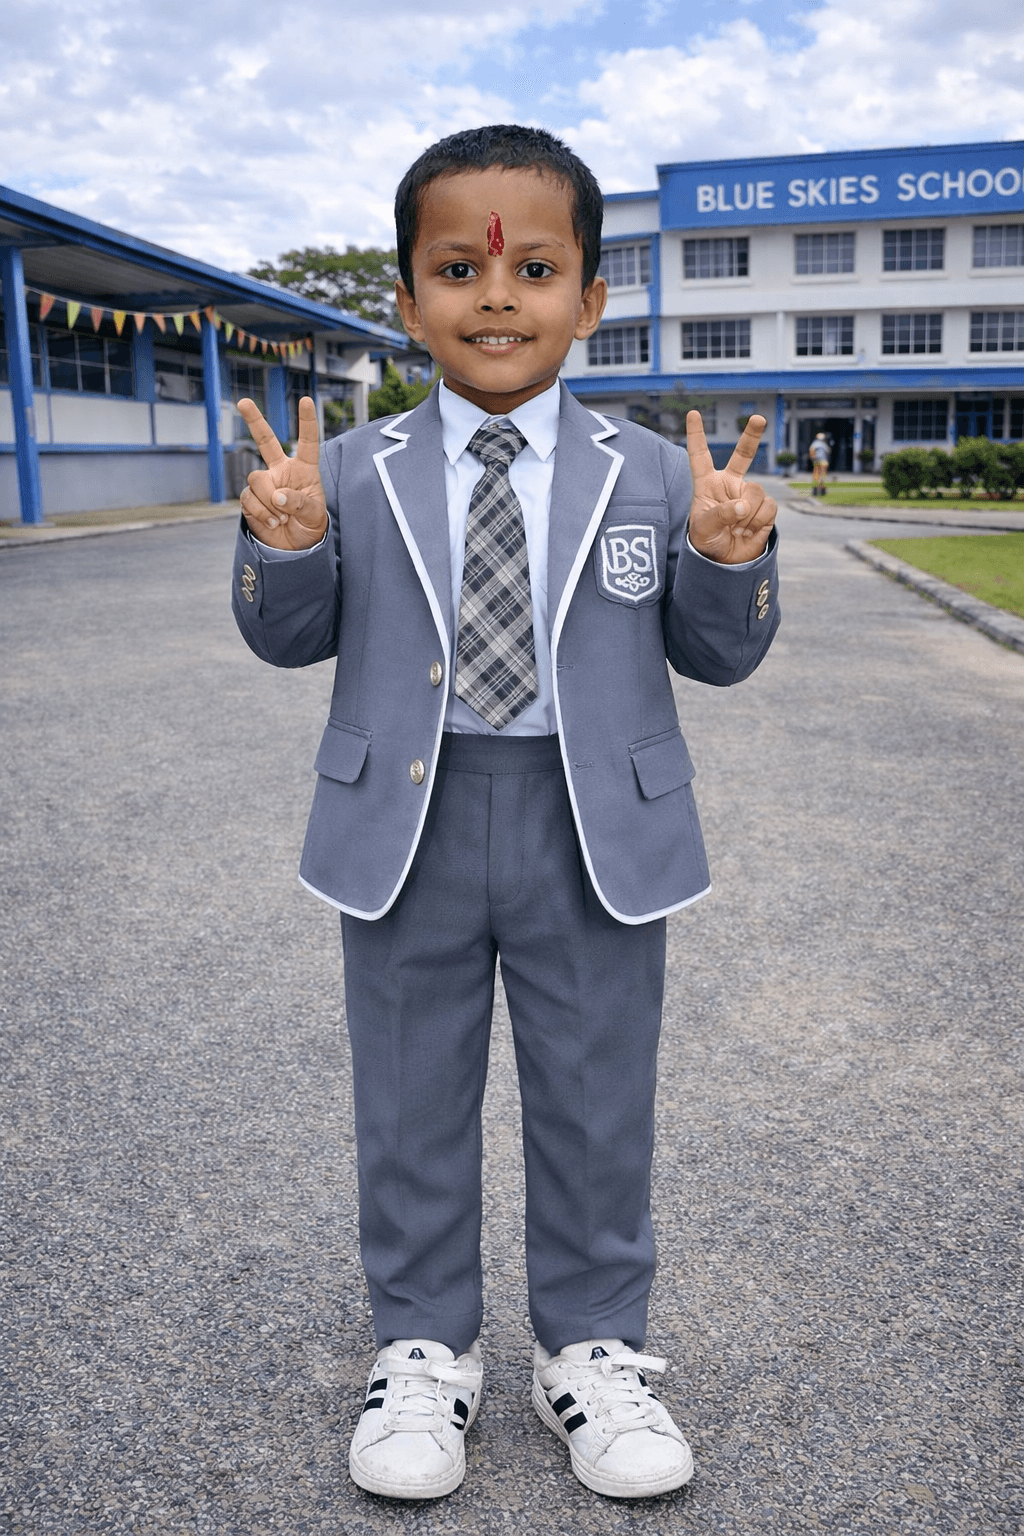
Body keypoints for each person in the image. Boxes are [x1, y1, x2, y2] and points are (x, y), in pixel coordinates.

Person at [231, 124, 780, 1502]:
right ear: (409, 298)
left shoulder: (653, 473)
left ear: (590, 299)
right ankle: (422, 1351)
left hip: (594, 828)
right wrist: (283, 547)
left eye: (535, 267)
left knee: (599, 1103)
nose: (495, 296)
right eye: (457, 270)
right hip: (403, 826)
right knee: (409, 1101)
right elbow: (289, 641)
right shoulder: (350, 469)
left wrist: (728, 562)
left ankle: (594, 1352)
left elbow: (717, 657)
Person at [809, 431, 831, 495]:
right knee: (823, 474)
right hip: (823, 460)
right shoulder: (824, 444)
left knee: (816, 474)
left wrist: (813, 459)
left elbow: (812, 452)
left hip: (817, 460)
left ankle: (816, 489)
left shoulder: (814, 444)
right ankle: (822, 489)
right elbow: (828, 451)